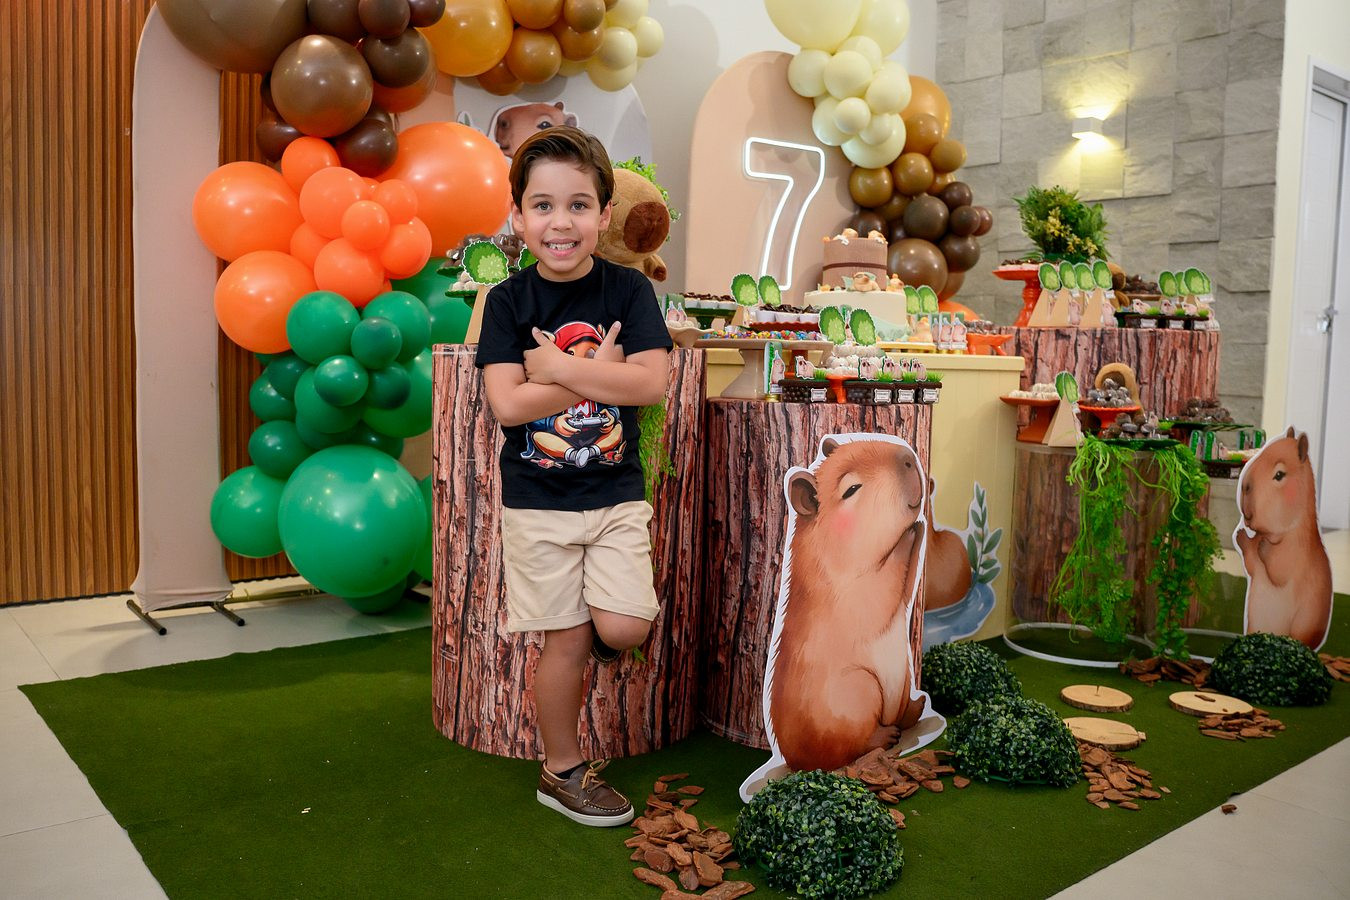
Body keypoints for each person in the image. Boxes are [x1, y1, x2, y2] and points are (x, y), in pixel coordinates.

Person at [474, 126, 673, 827]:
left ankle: (601, 617)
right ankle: (560, 771)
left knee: (625, 627)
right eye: (544, 206)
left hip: (615, 495)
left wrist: (557, 368)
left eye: (579, 205)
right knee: (565, 641)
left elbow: (650, 384)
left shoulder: (628, 290)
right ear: (518, 216)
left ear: (604, 214)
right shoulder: (506, 303)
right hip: (538, 504)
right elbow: (508, 405)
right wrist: (595, 374)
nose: (561, 223)